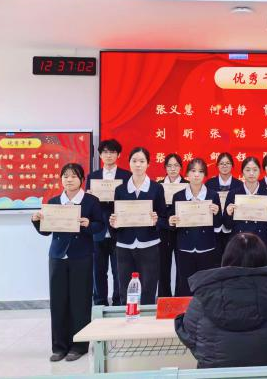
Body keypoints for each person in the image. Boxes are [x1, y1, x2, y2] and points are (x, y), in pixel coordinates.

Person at [175, 233, 267, 368]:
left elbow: (189, 335)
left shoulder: (203, 296)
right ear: (264, 257)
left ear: (226, 258)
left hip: (217, 374)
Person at [32, 163, 103, 362]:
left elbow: (100, 226)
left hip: (82, 256)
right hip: (57, 257)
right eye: (65, 176)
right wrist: (37, 220)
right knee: (58, 301)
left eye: (73, 176)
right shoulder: (54, 201)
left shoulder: (91, 201)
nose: (69, 179)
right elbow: (46, 231)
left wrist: (89, 224)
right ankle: (59, 347)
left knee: (80, 301)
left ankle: (79, 346)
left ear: (81, 179)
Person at [109, 147, 167, 305]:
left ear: (148, 164)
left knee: (149, 288)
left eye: (142, 161)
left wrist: (156, 221)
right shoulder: (120, 189)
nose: (138, 164)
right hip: (124, 245)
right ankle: (127, 318)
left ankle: (147, 318)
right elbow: (116, 218)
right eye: (134, 161)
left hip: (149, 244)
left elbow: (164, 218)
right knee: (125, 289)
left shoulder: (156, 188)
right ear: (129, 163)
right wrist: (113, 223)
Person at [86, 139, 132, 307]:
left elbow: (129, 201)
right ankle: (100, 303)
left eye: (112, 152)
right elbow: (88, 205)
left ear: (118, 155)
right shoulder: (93, 177)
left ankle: (119, 304)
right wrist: (90, 196)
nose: (108, 155)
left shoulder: (126, 176)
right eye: (105, 152)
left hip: (119, 229)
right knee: (98, 270)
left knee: (119, 270)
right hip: (98, 229)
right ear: (100, 155)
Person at [168, 158, 222, 296]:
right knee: (185, 285)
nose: (197, 175)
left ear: (205, 175)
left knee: (206, 286)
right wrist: (172, 221)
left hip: (207, 246)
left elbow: (218, 224)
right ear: (187, 174)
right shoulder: (178, 196)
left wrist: (217, 213)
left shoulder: (213, 195)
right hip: (185, 247)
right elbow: (173, 226)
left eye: (201, 171)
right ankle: (186, 310)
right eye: (193, 171)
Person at [223, 156, 267, 249]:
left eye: (255, 170)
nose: (251, 173)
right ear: (242, 172)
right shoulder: (233, 194)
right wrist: (228, 213)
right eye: (248, 170)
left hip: (261, 243)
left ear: (260, 171)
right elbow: (227, 225)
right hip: (238, 243)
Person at [157, 153, 188, 297]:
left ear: (181, 167)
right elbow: (154, 210)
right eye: (169, 166)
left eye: (176, 165)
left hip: (182, 231)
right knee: (162, 267)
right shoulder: (158, 186)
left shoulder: (187, 185)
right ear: (165, 168)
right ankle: (164, 299)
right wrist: (165, 222)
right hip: (163, 231)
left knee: (182, 267)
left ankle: (179, 298)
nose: (173, 169)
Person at [205, 152, 243, 259]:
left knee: (232, 259)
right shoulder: (209, 184)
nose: (224, 166)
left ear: (232, 165)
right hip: (213, 229)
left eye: (227, 163)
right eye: (221, 163)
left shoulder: (239, 184)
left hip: (232, 229)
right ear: (217, 166)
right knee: (214, 260)